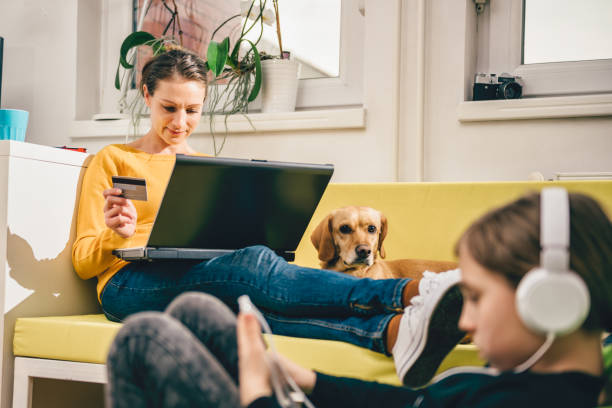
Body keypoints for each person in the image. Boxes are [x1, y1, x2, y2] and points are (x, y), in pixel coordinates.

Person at [72, 46, 464, 386]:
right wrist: (115, 233)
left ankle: (392, 333)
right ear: (146, 96)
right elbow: (84, 262)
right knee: (253, 263)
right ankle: (411, 293)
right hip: (127, 285)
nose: (180, 123)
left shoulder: (208, 170)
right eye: (168, 108)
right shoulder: (114, 159)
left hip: (195, 274)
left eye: (192, 110)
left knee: (258, 309)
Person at [106, 189, 612, 407]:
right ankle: (396, 320)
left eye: (474, 297)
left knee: (144, 336)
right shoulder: (524, 389)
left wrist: (260, 396)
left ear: (552, 300)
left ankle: (398, 307)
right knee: (198, 309)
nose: (468, 320)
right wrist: (303, 377)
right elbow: (406, 403)